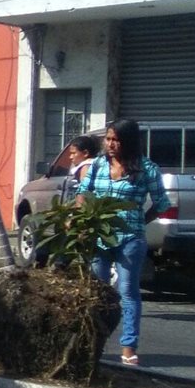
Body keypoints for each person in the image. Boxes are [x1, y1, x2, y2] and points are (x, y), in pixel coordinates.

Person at [76, 119, 169, 367]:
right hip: (99, 238)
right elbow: (83, 193)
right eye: (108, 139)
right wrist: (82, 221)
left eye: (116, 139)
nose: (111, 144)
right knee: (97, 291)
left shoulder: (147, 169)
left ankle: (129, 348)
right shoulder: (98, 165)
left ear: (128, 142)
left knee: (127, 291)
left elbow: (161, 205)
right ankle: (92, 343)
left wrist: (138, 221)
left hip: (130, 240)